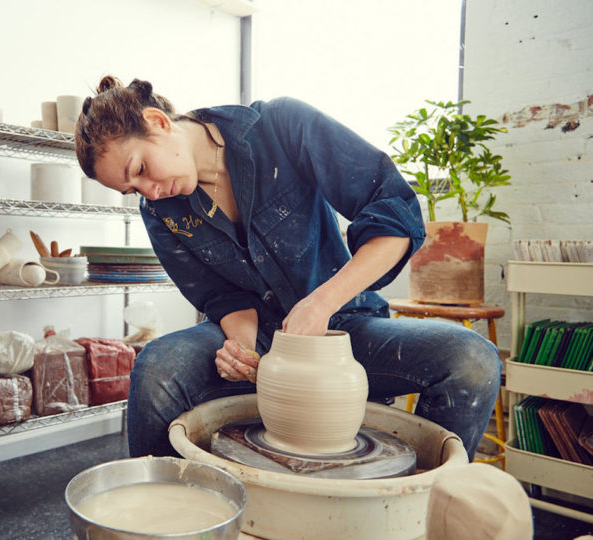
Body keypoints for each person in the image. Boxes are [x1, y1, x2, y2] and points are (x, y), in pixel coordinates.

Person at [74, 76, 501, 460]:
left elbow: (396, 217)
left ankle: (417, 507)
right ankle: (170, 518)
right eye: (133, 189)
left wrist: (320, 305)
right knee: (156, 367)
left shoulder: (280, 126)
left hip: (343, 329)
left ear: (158, 122)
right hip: (261, 335)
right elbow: (220, 296)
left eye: (142, 169)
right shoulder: (160, 208)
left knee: (472, 360)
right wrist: (241, 350)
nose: (148, 190)